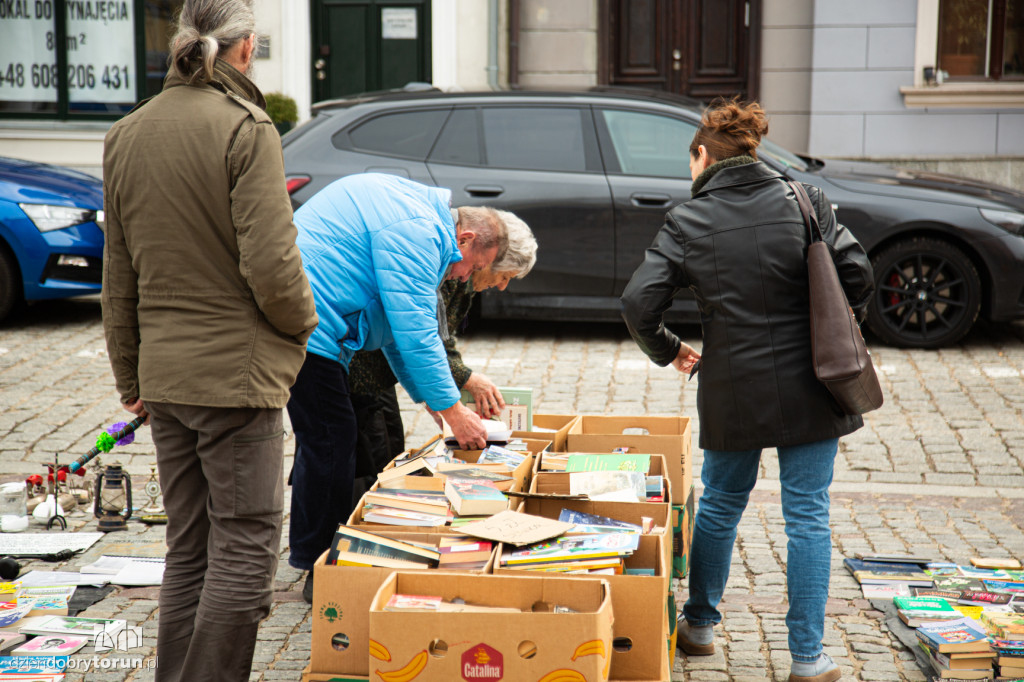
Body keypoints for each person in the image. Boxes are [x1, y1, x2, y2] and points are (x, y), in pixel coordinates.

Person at [100, 1, 319, 680]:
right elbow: (273, 265)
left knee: (190, 549)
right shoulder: (246, 128)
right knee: (246, 548)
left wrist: (130, 373)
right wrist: (304, 326)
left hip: (167, 374)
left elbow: (118, 273)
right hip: (235, 375)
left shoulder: (127, 131)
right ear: (246, 49)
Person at [620, 98, 873, 682]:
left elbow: (638, 303)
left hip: (732, 385)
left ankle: (700, 625)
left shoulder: (688, 221)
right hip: (815, 380)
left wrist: (667, 348)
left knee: (721, 505)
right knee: (808, 516)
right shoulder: (806, 199)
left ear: (703, 156)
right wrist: (838, 320)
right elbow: (857, 272)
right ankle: (809, 659)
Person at [286, 173, 519, 600]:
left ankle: (321, 556)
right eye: (476, 267)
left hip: (316, 328)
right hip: (307, 330)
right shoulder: (419, 233)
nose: (466, 278)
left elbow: (396, 335)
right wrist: (451, 409)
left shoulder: (422, 222)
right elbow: (415, 331)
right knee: (332, 444)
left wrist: (435, 399)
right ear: (465, 239)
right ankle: (321, 563)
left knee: (331, 440)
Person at [347, 211, 538, 505]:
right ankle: (350, 524)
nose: (502, 286)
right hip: (358, 364)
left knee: (386, 445)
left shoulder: (465, 272)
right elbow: (423, 338)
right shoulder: (456, 268)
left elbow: (435, 338)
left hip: (382, 365)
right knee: (363, 452)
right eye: (504, 276)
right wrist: (460, 388)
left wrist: (441, 400)